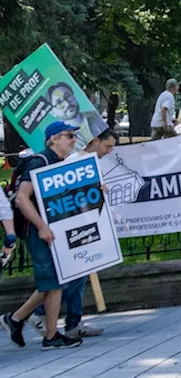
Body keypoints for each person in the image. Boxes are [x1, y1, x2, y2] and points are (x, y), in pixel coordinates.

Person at [32, 123, 118, 339]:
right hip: (71, 227)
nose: (109, 152)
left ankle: (73, 322)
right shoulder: (75, 161)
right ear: (96, 141)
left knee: (80, 275)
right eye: (107, 146)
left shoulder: (89, 162)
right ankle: (41, 313)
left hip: (84, 224)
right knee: (73, 276)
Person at [2, 121, 82, 350]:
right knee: (53, 280)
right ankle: (43, 332)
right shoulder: (40, 162)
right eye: (69, 136)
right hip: (36, 231)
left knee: (56, 280)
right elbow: (21, 198)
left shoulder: (58, 163)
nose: (73, 140)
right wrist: (41, 227)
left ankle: (23, 323)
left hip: (48, 229)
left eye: (74, 136)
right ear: (54, 138)